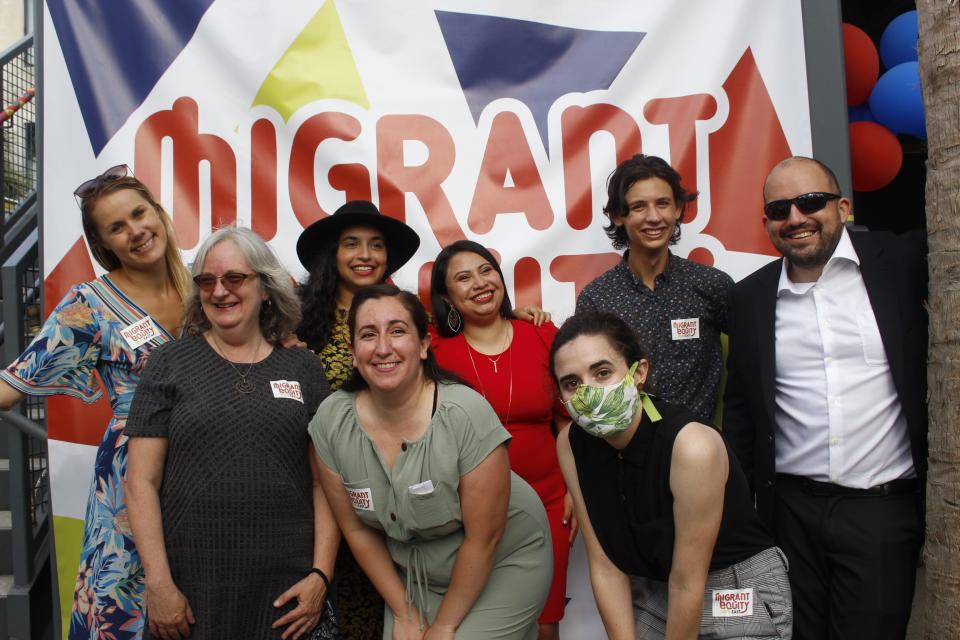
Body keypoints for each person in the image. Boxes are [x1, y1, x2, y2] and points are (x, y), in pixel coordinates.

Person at [722, 156, 927, 640]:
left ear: (843, 207)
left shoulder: (898, 263)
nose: (795, 218)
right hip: (789, 515)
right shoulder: (750, 298)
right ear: (766, 222)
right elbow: (741, 413)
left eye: (810, 202)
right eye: (779, 209)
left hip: (881, 509)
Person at [0, 164, 190, 639]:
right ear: (104, 245)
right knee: (122, 608)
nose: (135, 232)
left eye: (138, 214)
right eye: (116, 228)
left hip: (205, 467)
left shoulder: (204, 284)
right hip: (130, 481)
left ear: (158, 212)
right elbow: (11, 387)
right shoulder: (89, 303)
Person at [125, 227, 339, 639]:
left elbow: (323, 484)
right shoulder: (169, 363)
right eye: (207, 281)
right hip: (190, 593)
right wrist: (159, 585)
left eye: (235, 278)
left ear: (265, 288)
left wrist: (320, 576)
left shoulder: (303, 369)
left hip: (288, 597)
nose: (219, 291)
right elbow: (140, 483)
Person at [310, 284, 552, 640]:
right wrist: (402, 609)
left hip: (503, 557)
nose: (382, 348)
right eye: (367, 335)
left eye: (397, 331)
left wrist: (444, 626)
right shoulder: (332, 423)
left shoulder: (465, 413)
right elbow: (358, 530)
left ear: (424, 345)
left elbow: (485, 539)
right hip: (418, 573)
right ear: (352, 351)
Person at [551, 312, 791, 640]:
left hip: (732, 591)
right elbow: (606, 565)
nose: (588, 392)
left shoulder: (692, 446)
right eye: (572, 383)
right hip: (654, 590)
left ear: (639, 373)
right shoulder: (571, 444)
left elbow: (687, 581)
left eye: (602, 372)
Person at [429, 240, 573, 640]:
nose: (479, 283)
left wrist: (574, 491)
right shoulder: (432, 349)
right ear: (447, 297)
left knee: (544, 623)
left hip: (547, 502)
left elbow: (567, 423)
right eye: (463, 278)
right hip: (465, 515)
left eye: (486, 270)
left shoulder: (542, 333)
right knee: (483, 622)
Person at [296, 199, 421, 638]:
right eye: (352, 244)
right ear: (333, 253)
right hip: (317, 491)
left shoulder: (404, 310)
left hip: (392, 488)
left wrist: (517, 317)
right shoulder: (295, 318)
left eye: (376, 245)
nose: (365, 255)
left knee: (395, 607)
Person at [576, 154, 732, 423]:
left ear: (678, 209)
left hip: (701, 451)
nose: (653, 217)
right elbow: (588, 383)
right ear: (618, 216)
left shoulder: (712, 285)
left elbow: (753, 364)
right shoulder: (597, 299)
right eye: (638, 207)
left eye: (663, 204)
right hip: (626, 451)